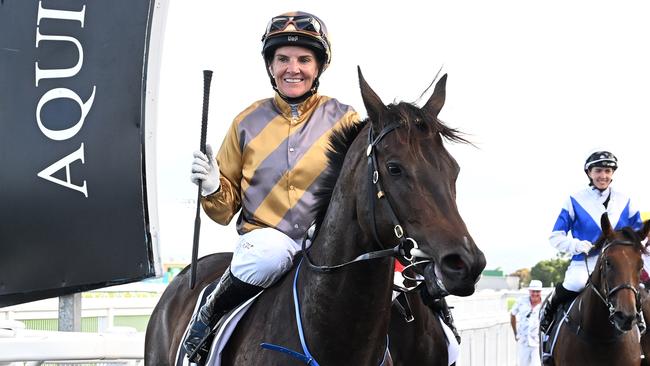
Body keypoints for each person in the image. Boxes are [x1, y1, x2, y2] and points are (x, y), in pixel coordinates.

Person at [182, 11, 361, 363]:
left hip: (325, 247)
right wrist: (211, 187)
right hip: (263, 243)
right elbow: (222, 211)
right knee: (271, 252)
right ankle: (210, 313)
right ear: (270, 65)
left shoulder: (346, 120)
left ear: (319, 67)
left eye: (303, 59)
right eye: (282, 59)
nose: (292, 68)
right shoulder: (246, 122)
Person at [539, 150, 643, 334]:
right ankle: (548, 320)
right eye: (598, 171)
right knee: (574, 284)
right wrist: (577, 245)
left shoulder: (625, 201)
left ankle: (641, 328)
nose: (603, 176)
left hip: (618, 263)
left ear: (612, 174)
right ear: (589, 173)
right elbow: (555, 237)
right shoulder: (574, 200)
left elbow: (638, 234)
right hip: (585, 262)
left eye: (607, 171)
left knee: (636, 290)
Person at [511, 279, 543, 366]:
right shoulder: (521, 301)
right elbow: (512, 314)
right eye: (533, 291)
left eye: (537, 291)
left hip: (537, 343)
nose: (535, 294)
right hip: (523, 341)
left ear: (541, 292)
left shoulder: (545, 304)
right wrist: (515, 333)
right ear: (529, 291)